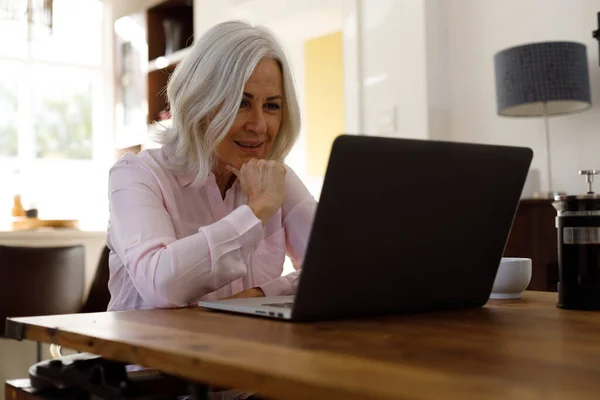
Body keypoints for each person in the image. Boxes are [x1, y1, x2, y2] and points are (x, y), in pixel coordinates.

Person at [106, 20, 317, 313]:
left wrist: (261, 294)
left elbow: (338, 267)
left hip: (244, 354)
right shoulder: (136, 176)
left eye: (271, 106)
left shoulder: (278, 179)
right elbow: (162, 285)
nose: (258, 125)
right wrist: (256, 213)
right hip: (149, 356)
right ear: (200, 103)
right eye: (241, 103)